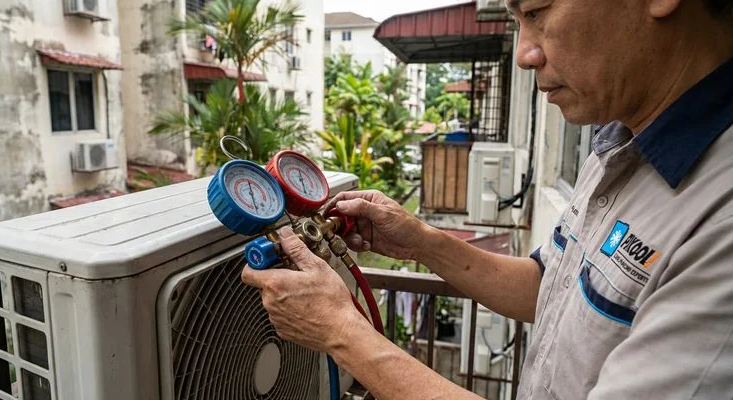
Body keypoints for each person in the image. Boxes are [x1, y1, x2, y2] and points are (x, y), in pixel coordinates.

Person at [241, 0, 733, 397]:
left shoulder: (719, 214)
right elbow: (549, 286)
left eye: (536, 12)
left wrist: (340, 333)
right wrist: (421, 241)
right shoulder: (617, 146)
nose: (525, 54)